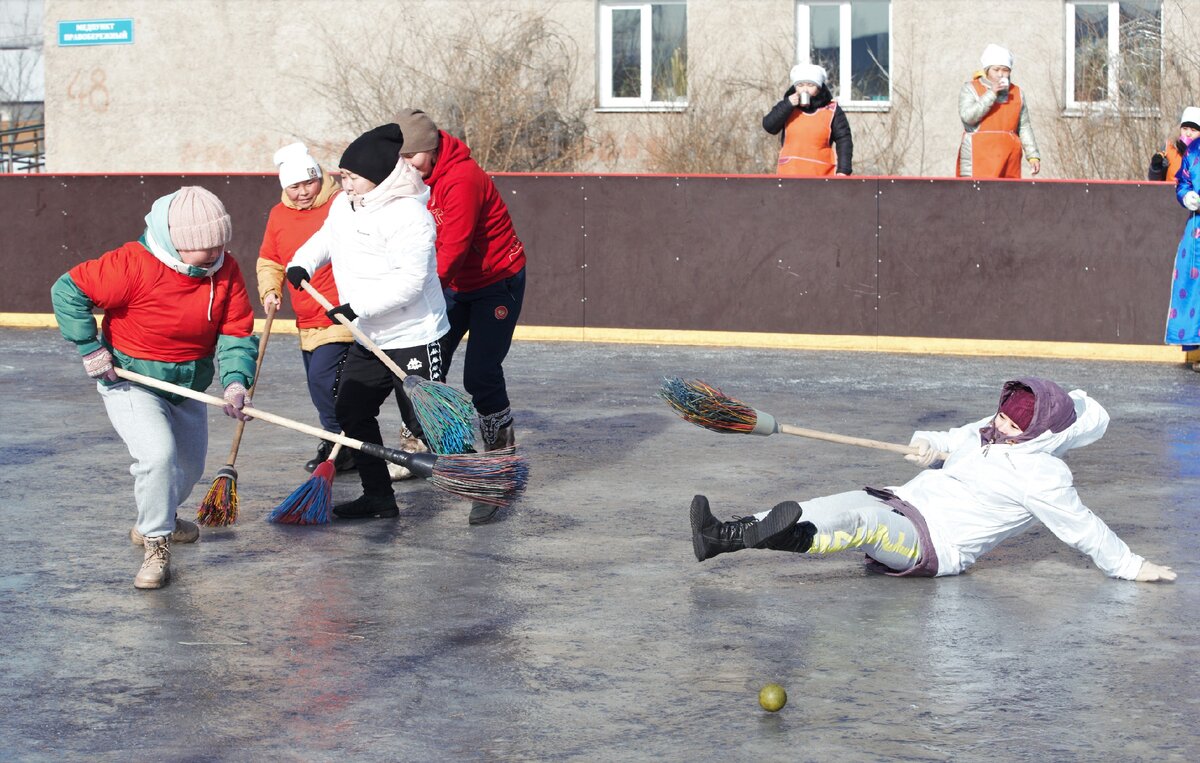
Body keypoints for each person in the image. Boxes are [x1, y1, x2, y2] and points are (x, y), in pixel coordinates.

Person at [690, 378, 1177, 583]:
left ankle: (791, 535)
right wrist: (928, 445)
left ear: (1039, 431)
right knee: (826, 503)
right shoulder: (990, 430)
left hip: (934, 543)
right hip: (905, 499)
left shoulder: (1043, 475)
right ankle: (722, 536)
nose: (999, 426)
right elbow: (951, 438)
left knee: (860, 522)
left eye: (1012, 424)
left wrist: (1132, 566)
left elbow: (1082, 527)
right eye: (1002, 416)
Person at [50, 186, 258, 589]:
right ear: (176, 242)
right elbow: (67, 291)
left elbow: (235, 330)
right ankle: (157, 542)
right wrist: (90, 347)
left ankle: (155, 517)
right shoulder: (131, 264)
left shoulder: (225, 269)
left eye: (220, 244)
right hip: (130, 379)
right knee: (158, 457)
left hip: (189, 385)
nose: (214, 254)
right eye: (204, 247)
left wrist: (235, 382)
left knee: (190, 467)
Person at [285, 123, 449, 520]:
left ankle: (485, 483)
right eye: (343, 175)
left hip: (412, 335)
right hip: (369, 334)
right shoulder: (345, 204)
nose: (345, 183)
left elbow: (411, 281)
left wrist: (359, 307)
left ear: (378, 178)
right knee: (352, 410)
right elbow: (328, 236)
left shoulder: (409, 215)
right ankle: (378, 496)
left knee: (429, 423)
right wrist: (301, 262)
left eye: (352, 177)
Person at [393, 108, 528, 524]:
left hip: (494, 282)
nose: (405, 166)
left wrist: (410, 293)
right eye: (400, 159)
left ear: (430, 150)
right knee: (423, 365)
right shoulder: (414, 176)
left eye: (411, 157)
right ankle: (420, 444)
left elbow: (451, 250)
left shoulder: (462, 179)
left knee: (481, 374)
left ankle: (497, 465)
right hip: (450, 285)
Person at [256, 142, 356, 473]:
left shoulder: (342, 204)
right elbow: (270, 260)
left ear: (320, 176)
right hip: (306, 319)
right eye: (294, 186)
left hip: (339, 314)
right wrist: (271, 289)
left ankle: (338, 441)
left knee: (322, 380)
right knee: (321, 387)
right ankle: (341, 442)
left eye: (308, 183)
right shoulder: (278, 215)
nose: (302, 192)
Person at [956, 44, 1041, 179]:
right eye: (996, 69)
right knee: (976, 198)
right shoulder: (970, 88)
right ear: (987, 70)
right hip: (978, 157)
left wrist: (1033, 156)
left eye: (1005, 70)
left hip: (1009, 158)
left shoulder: (1017, 93)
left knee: (1007, 198)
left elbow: (1024, 126)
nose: (1001, 74)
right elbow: (968, 117)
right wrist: (992, 93)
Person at [761, 63, 852, 176]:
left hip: (822, 174)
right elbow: (769, 126)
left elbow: (844, 139)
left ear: (819, 88)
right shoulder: (787, 107)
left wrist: (843, 170)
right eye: (800, 85)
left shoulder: (832, 110)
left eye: (810, 85)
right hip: (789, 173)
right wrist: (787, 105)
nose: (805, 89)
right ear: (795, 87)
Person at [1165, 133, 1200, 368]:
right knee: (1194, 288)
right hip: (1197, 229)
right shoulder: (1195, 150)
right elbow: (1183, 180)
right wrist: (1187, 195)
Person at [1148, 107, 1200, 182]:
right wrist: (1156, 168)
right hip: (1169, 192)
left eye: (1193, 130)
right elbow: (1155, 182)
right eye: (1184, 129)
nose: (1188, 134)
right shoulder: (1170, 147)